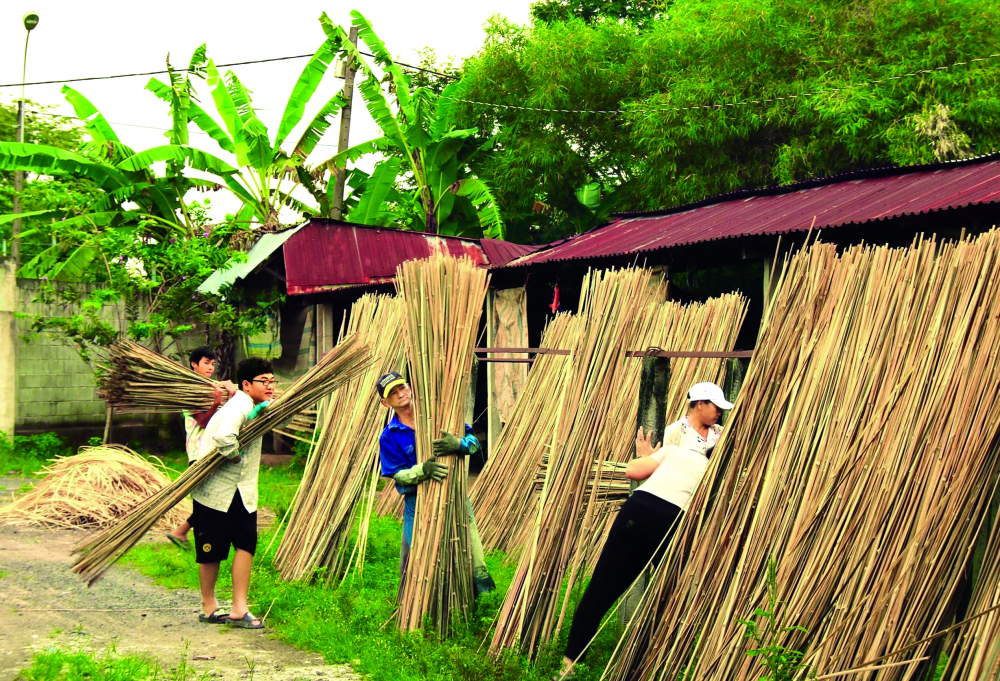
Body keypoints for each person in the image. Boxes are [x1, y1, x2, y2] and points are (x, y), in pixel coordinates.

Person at [558, 381, 734, 677]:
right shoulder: (684, 442)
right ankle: (661, 661)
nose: (719, 413)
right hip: (671, 518)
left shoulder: (673, 452)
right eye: (715, 405)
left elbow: (633, 471)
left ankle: (568, 666)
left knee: (601, 587)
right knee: (671, 591)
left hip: (637, 509)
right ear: (698, 403)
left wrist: (646, 456)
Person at [375, 370, 496, 597]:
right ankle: (414, 607)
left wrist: (458, 443)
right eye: (393, 393)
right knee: (415, 559)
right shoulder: (389, 436)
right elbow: (396, 474)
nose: (400, 394)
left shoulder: (440, 416)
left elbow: (474, 444)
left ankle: (483, 605)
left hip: (455, 495)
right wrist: (423, 470)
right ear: (385, 402)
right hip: (417, 503)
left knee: (474, 557)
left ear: (410, 388)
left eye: (402, 387)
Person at [189, 357, 274, 628]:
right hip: (217, 489)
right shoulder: (239, 405)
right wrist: (235, 457)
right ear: (247, 385)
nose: (270, 385)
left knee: (246, 543)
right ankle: (209, 605)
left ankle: (239, 608)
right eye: (264, 381)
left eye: (272, 380)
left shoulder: (255, 405)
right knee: (212, 549)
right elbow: (224, 437)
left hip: (243, 490)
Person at [167, 346, 237, 550]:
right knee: (206, 499)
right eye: (206, 363)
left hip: (212, 449)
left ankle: (181, 532)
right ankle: (184, 533)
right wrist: (216, 403)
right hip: (199, 452)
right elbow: (204, 422)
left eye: (213, 364)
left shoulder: (212, 387)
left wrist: (230, 398)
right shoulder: (190, 390)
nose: (210, 367)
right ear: (194, 364)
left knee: (211, 497)